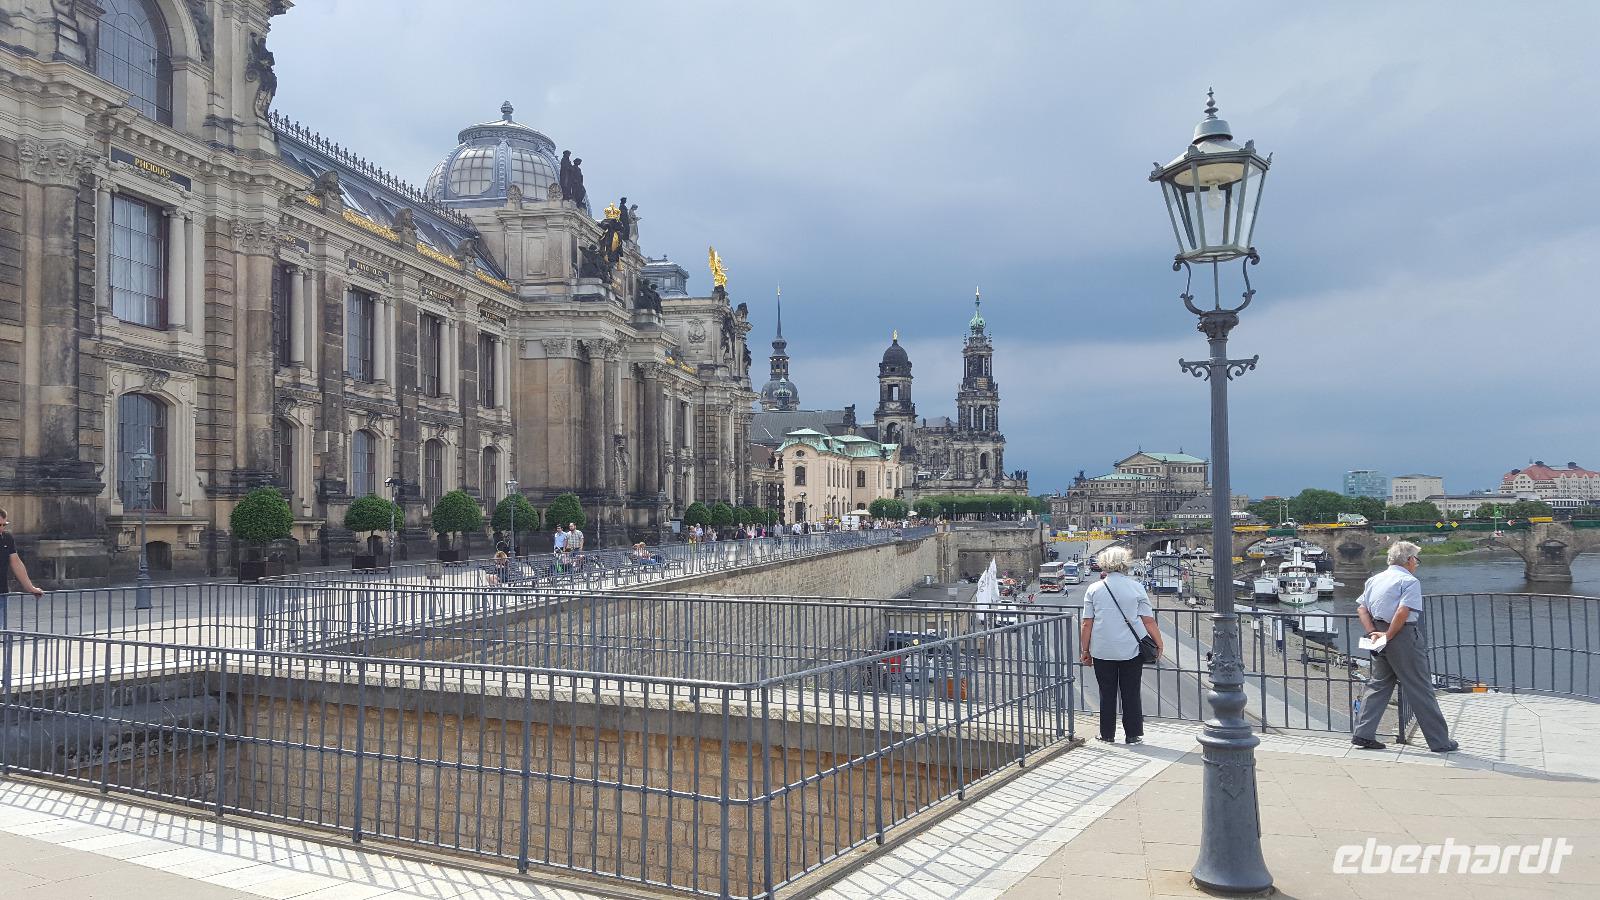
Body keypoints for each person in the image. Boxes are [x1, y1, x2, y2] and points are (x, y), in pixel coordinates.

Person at [1351, 541, 1459, 752]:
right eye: (1416, 560)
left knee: (1378, 684)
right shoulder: (1409, 581)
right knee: (1420, 687)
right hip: (1402, 636)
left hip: (1378, 634)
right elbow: (1402, 612)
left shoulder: (1374, 579)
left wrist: (1373, 632)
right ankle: (1439, 741)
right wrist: (1389, 635)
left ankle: (1363, 734)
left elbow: (1361, 609)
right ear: (1409, 560)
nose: (1417, 564)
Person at [1080, 546, 1162, 744]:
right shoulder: (1136, 587)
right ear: (1125, 563)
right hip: (1131, 649)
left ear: (1104, 564)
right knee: (1131, 692)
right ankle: (1132, 735)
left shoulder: (1094, 589)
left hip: (1102, 650)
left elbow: (1087, 623)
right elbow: (1148, 621)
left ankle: (1107, 734)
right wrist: (1159, 644)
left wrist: (1085, 650)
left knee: (1106, 693)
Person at [0, 507, 44, 597]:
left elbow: (16, 563)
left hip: (2, 593)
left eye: (4, 525)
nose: (1, 528)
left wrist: (31, 588)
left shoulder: (7, 538)